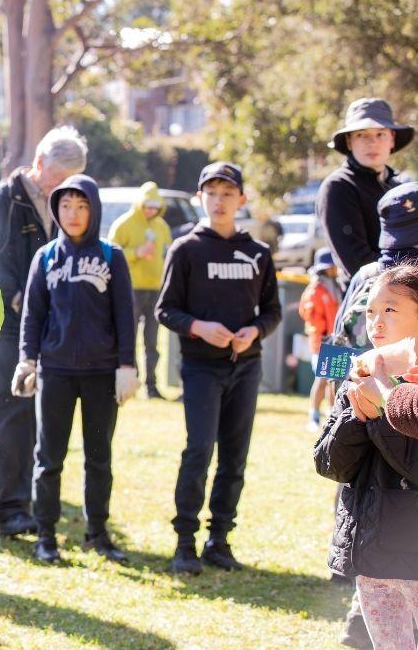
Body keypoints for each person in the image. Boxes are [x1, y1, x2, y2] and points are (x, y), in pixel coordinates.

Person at [156, 162, 281, 574]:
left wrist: (255, 331)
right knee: (198, 451)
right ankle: (185, 541)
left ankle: (220, 539)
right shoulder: (186, 249)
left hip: (245, 367)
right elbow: (165, 310)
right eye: (211, 192)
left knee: (234, 456)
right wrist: (198, 327)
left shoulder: (258, 253)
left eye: (228, 193)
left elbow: (274, 312)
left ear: (241, 199)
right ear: (199, 199)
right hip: (201, 369)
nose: (220, 200)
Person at [12, 174, 138, 564]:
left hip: (102, 374)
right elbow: (33, 314)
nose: (73, 213)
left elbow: (125, 315)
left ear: (94, 210)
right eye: (66, 205)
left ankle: (97, 533)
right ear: (57, 209)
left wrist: (127, 365)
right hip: (56, 372)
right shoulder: (45, 257)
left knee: (99, 457)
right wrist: (27, 359)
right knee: (48, 457)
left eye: (82, 206)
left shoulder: (111, 255)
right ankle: (46, 536)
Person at [0, 126, 86, 538]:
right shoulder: (4, 200)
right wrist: (16, 296)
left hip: (48, 325)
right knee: (12, 409)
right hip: (6, 325)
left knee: (42, 413)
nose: (65, 190)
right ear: (39, 164)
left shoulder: (63, 204)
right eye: (59, 179)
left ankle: (31, 501)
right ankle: (7, 506)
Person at [315, 264, 418, 649]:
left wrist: (381, 407)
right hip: (371, 556)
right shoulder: (357, 373)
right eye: (370, 311)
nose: (376, 322)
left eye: (390, 310)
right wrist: (358, 415)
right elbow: (329, 464)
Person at [316, 98, 412, 286]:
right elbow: (359, 264)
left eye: (380, 134)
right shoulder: (338, 187)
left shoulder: (399, 186)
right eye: (362, 135)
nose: (372, 142)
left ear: (392, 138)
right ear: (349, 141)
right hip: (367, 306)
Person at [108, 181, 172, 399]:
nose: (151, 211)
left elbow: (167, 253)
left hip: (155, 289)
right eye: (147, 206)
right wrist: (136, 252)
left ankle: (152, 385)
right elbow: (111, 256)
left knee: (152, 341)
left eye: (155, 207)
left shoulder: (161, 226)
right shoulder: (124, 224)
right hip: (130, 290)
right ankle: (130, 382)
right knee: (129, 337)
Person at [299, 247, 340, 431]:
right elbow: (310, 315)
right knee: (322, 379)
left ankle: (331, 415)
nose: (336, 269)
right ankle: (313, 416)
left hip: (335, 340)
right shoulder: (316, 289)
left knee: (334, 380)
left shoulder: (334, 285)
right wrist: (323, 335)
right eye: (333, 265)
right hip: (323, 342)